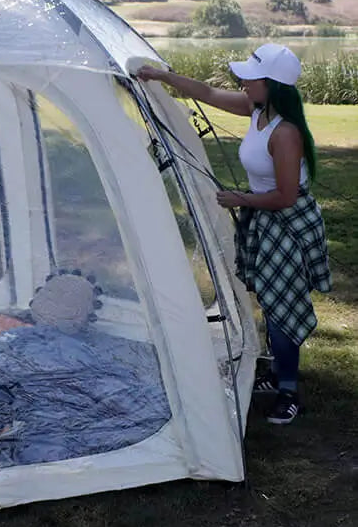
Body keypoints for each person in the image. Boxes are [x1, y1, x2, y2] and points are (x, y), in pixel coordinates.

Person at [136, 43, 331, 425]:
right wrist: (161, 76)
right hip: (265, 215)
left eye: (250, 77)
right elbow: (206, 94)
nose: (242, 80)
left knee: (281, 308)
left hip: (285, 221)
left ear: (272, 85)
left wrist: (239, 198)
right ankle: (276, 374)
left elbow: (287, 196)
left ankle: (288, 391)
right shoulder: (257, 109)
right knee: (273, 300)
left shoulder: (286, 133)